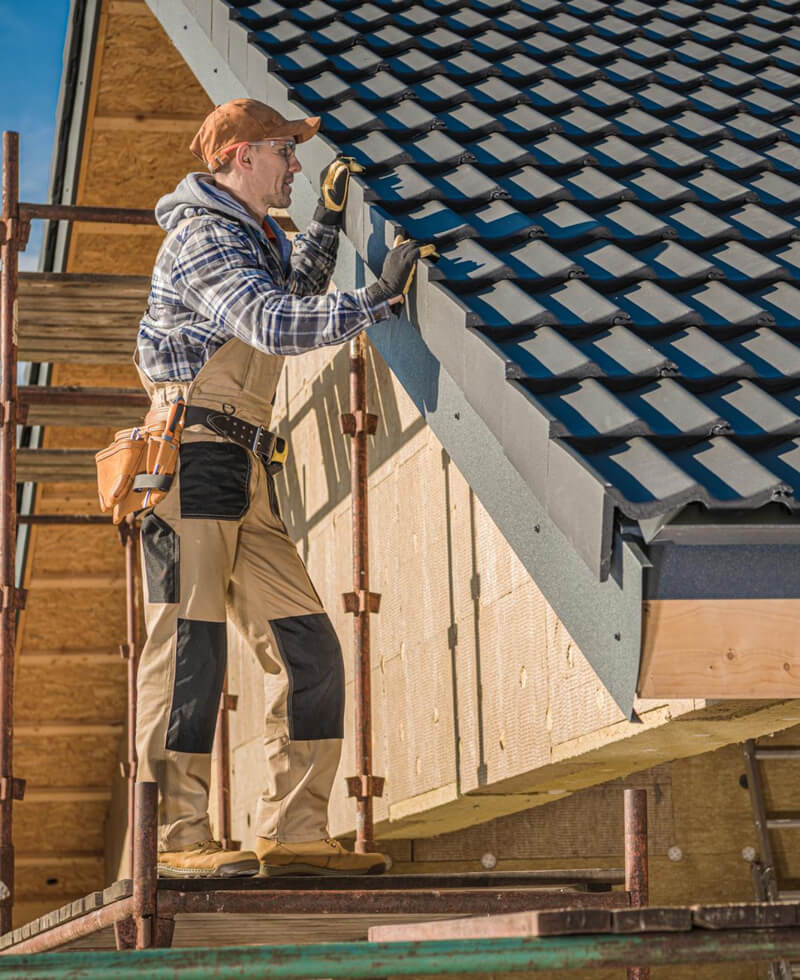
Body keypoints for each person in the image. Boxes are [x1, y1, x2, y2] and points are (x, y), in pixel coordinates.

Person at [134, 98, 430, 878]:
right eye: (283, 151)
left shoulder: (249, 234)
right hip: (193, 455)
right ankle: (171, 845)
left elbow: (291, 287)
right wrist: (376, 301)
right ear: (238, 157)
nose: (296, 164)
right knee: (189, 652)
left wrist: (328, 225)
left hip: (242, 468)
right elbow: (270, 322)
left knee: (310, 651)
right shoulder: (201, 237)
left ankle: (294, 833)